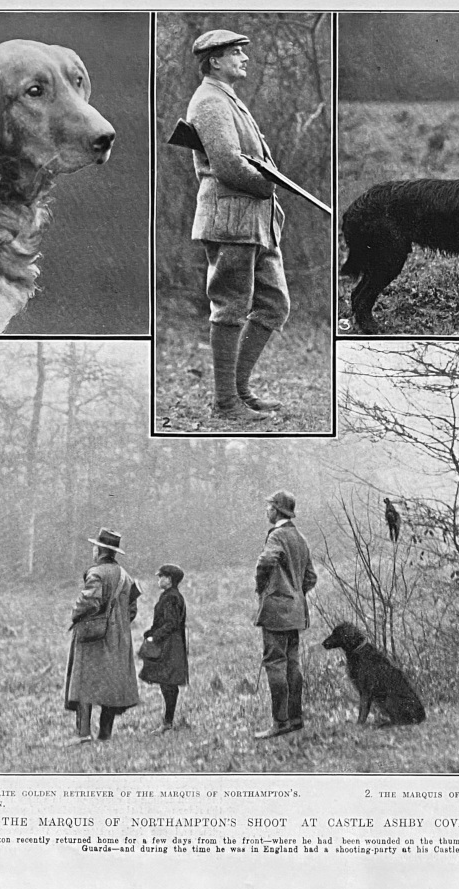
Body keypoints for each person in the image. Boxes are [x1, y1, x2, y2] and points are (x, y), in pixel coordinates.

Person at [187, 28, 290, 422]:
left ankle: (240, 390)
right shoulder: (210, 101)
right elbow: (228, 163)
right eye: (235, 53)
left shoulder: (229, 98)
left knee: (274, 304)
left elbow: (249, 157)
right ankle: (225, 403)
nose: (244, 58)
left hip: (255, 220)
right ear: (214, 60)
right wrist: (269, 184)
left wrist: (269, 182)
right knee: (230, 308)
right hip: (230, 218)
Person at [64, 528, 141, 745]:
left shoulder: (96, 573)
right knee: (112, 687)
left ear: (99, 550)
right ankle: (105, 734)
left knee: (83, 684)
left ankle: (83, 734)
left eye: (94, 546)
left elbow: (90, 601)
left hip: (93, 638)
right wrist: (119, 626)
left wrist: (76, 614)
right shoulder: (126, 577)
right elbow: (132, 610)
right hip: (118, 639)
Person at [253, 490, 317, 739]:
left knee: (275, 664)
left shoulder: (277, 535)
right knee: (293, 664)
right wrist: (295, 593)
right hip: (296, 612)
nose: (266, 511)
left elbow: (265, 562)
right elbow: (311, 577)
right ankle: (296, 718)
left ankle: (280, 722)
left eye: (269, 507)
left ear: (277, 510)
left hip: (277, 612)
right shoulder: (300, 538)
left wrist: (264, 588)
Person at [139, 564, 190, 733]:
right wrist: (150, 632)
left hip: (170, 644)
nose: (159, 580)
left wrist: (155, 636)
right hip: (170, 642)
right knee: (167, 683)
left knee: (168, 683)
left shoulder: (171, 597)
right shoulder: (170, 596)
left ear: (169, 579)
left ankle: (168, 722)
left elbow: (171, 623)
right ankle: (168, 722)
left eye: (161, 576)